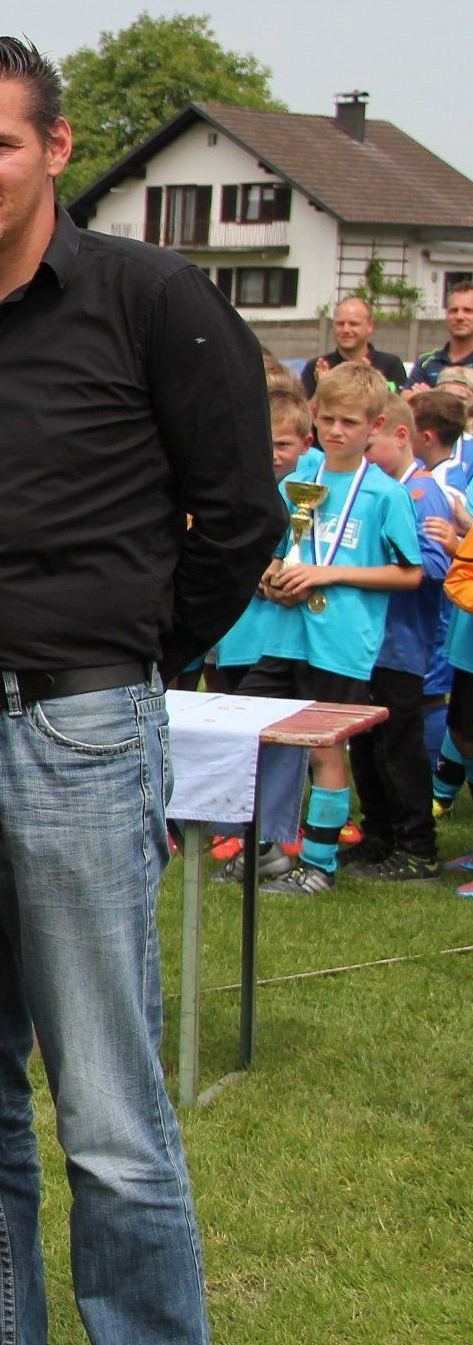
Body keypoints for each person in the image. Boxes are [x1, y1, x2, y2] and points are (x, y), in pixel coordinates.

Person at [0, 36, 281, 1345]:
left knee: (107, 1101)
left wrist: (134, 656)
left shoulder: (155, 298)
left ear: (54, 148)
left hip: (80, 731)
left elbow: (241, 517)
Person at [234, 364, 422, 895]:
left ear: (376, 426)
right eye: (330, 419)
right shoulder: (302, 483)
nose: (338, 431)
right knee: (252, 732)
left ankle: (319, 864)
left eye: (351, 422)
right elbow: (279, 555)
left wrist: (328, 573)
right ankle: (266, 846)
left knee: (324, 750)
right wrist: (274, 580)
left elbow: (411, 572)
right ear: (314, 417)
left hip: (341, 643)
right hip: (285, 633)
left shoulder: (384, 495)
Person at [344, 394, 454, 879]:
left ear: (401, 435)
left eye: (370, 446)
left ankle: (417, 847)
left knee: (399, 747)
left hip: (403, 645)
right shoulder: (385, 489)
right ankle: (380, 836)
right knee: (367, 744)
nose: (364, 459)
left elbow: (435, 564)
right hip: (372, 641)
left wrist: (369, 564)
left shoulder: (420, 491)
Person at [201, 389, 316, 698]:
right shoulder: (232, 484)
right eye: (266, 442)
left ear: (305, 445)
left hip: (281, 638)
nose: (273, 453)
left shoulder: (308, 491)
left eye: (283, 445)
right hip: (235, 633)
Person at [298, 294, 407, 394]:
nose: (346, 329)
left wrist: (369, 380)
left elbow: (396, 408)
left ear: (370, 326)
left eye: (353, 324)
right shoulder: (316, 367)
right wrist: (324, 386)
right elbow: (307, 412)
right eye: (340, 324)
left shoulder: (390, 365)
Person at [409, 281, 473, 387]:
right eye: (453, 310)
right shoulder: (426, 362)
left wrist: (431, 397)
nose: (459, 317)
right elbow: (406, 395)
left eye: (468, 310)